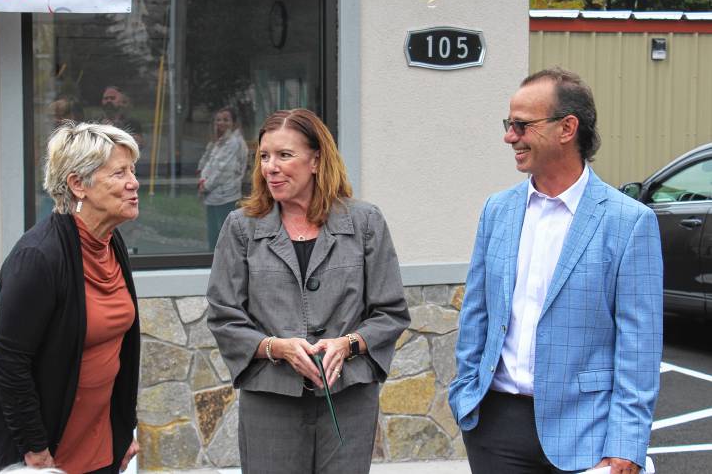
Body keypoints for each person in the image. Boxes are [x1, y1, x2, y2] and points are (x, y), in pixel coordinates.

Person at [448, 68, 663, 474]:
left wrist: (627, 443)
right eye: (508, 124)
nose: (509, 136)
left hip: (589, 431)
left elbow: (640, 346)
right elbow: (476, 312)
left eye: (521, 125)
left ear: (567, 128)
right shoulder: (498, 210)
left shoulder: (628, 222)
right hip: (495, 429)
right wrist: (465, 396)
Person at [206, 108, 410, 474]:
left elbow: (391, 312)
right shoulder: (242, 227)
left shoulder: (365, 222)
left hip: (347, 397)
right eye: (264, 156)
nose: (271, 166)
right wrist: (275, 347)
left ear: (316, 160)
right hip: (270, 398)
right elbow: (224, 315)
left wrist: (347, 344)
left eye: (285, 155)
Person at [0, 123, 142, 474]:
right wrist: (36, 451)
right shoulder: (39, 257)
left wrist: (123, 427)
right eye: (119, 173)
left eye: (133, 170)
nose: (134, 183)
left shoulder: (111, 243)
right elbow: (11, 364)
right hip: (38, 448)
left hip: (96, 437)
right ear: (77, 184)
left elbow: (120, 351)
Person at [197, 106, 248, 249]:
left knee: (224, 236)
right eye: (218, 120)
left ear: (234, 123)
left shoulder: (234, 143)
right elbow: (208, 164)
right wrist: (202, 181)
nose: (221, 123)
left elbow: (223, 170)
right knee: (213, 234)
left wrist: (205, 186)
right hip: (213, 195)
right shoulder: (219, 142)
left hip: (226, 196)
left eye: (226, 119)